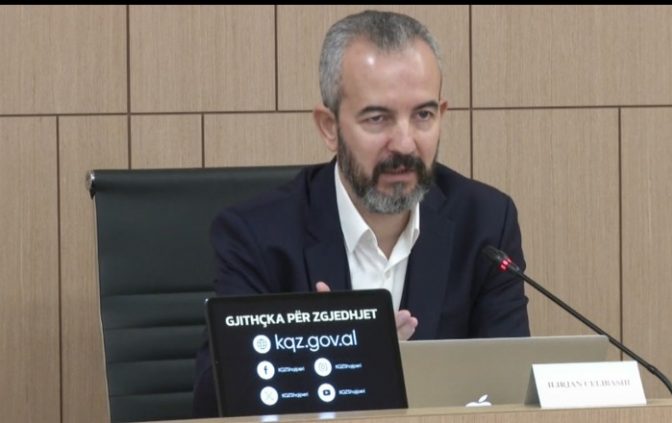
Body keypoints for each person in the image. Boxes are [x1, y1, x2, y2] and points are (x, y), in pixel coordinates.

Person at [193, 9, 529, 417]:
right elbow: (213, 402)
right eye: (377, 118)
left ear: (442, 114)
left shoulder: (486, 224)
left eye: (423, 115)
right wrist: (337, 356)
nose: (404, 144)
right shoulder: (257, 236)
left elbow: (511, 392)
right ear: (329, 127)